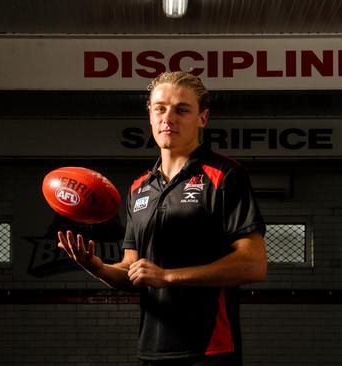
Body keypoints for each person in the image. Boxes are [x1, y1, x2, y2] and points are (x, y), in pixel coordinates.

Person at [58, 71, 267, 365]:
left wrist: (167, 277)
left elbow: (253, 264)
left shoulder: (225, 175)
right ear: (150, 115)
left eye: (182, 109)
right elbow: (134, 270)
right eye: (160, 108)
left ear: (202, 118)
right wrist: (97, 267)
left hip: (209, 348)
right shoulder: (138, 188)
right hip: (152, 348)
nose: (169, 117)